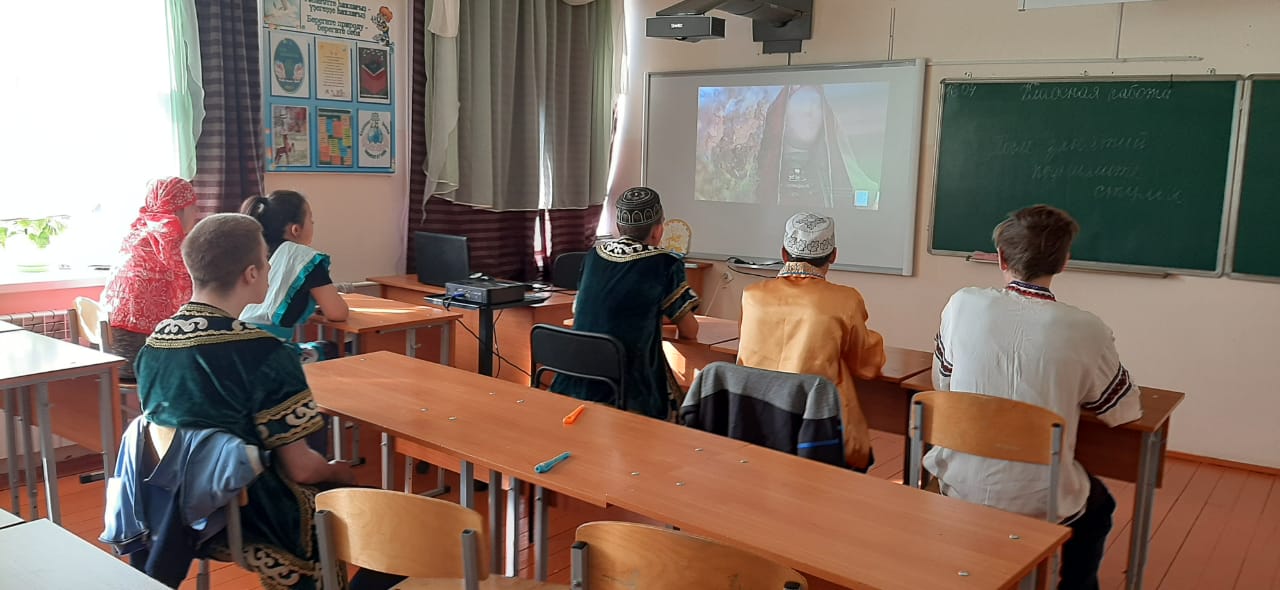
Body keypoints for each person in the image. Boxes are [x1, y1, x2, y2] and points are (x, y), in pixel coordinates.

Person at [133, 213, 357, 590]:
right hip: (250, 510)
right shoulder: (265, 352)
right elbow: (302, 469)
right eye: (266, 261)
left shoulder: (155, 344)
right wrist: (339, 472)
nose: (269, 269)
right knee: (392, 522)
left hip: (174, 505)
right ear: (251, 274)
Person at [927, 205, 1143, 590]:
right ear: (1064, 261)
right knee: (1100, 507)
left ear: (1001, 258)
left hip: (960, 481)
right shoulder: (1087, 329)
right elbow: (1122, 410)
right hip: (1040, 497)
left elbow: (942, 383)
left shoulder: (962, 304)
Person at [736, 212, 885, 471]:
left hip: (754, 423)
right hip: (815, 428)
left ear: (784, 254)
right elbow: (867, 365)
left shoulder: (751, 296)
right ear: (833, 255)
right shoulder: (845, 300)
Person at [550, 187, 700, 420]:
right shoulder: (665, 264)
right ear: (658, 231)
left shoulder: (593, 256)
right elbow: (690, 331)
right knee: (682, 406)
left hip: (576, 379)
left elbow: (577, 309)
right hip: (631, 390)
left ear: (618, 227)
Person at [100, 177, 199, 379]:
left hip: (113, 355)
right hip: (138, 362)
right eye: (193, 206)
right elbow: (195, 289)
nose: (197, 212)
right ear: (180, 209)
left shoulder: (139, 230)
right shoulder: (167, 235)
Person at [239, 190, 349, 362]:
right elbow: (338, 313)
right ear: (296, 229)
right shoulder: (304, 258)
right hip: (268, 357)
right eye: (311, 219)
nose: (313, 223)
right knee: (328, 349)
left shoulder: (251, 250)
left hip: (234, 349)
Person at [756, 85, 879, 208]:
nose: (810, 113)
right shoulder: (756, 174)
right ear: (781, 119)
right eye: (801, 105)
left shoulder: (842, 175)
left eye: (817, 106)